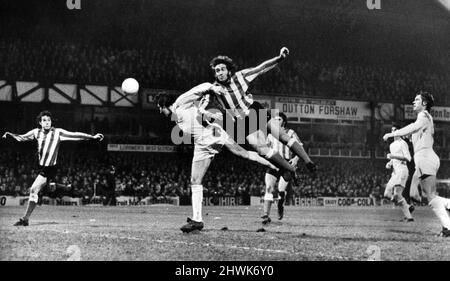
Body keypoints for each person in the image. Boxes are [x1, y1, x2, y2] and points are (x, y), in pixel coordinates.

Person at [156, 85, 284, 233]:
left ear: (165, 104)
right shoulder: (176, 115)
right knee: (198, 179)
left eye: (160, 107)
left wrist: (212, 88)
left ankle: (275, 164)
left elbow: (199, 89)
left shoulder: (180, 103)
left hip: (211, 134)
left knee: (240, 154)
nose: (160, 111)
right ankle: (197, 220)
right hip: (202, 143)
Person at [201, 47, 317, 179]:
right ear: (215, 74)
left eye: (222, 69)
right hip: (242, 120)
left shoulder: (240, 77)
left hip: (254, 109)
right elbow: (202, 105)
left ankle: (309, 162)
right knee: (262, 150)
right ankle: (290, 169)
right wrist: (207, 113)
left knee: (282, 136)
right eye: (217, 71)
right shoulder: (213, 89)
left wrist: (279, 58)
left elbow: (261, 67)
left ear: (228, 71)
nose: (220, 72)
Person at [2, 110, 104, 226]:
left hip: (50, 168)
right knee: (39, 191)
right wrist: (10, 135)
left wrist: (92, 137)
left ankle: (25, 219)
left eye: (49, 120)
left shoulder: (58, 132)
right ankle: (62, 192)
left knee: (34, 189)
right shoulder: (36, 132)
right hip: (40, 167)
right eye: (44, 120)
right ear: (40, 122)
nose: (47, 122)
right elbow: (22, 138)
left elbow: (75, 135)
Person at [383, 91, 450, 237]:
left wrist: (394, 134)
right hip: (424, 158)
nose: (413, 102)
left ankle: (447, 228)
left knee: (430, 197)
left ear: (424, 103)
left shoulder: (423, 115)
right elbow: (416, 131)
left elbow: (413, 127)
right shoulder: (424, 119)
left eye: (416, 100)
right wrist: (408, 136)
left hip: (425, 157)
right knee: (428, 197)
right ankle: (447, 227)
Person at [261, 113, 312, 224]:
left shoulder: (290, 133)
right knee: (269, 188)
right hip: (274, 164)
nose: (276, 121)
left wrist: (295, 159)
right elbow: (264, 148)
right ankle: (266, 215)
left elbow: (300, 147)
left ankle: (280, 205)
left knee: (281, 190)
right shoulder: (269, 133)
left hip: (286, 164)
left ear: (283, 121)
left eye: (279, 119)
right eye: (274, 119)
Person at [383, 123, 414, 222]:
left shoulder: (403, 143)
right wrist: (390, 163)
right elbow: (394, 158)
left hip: (402, 170)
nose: (393, 132)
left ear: (400, 131)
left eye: (395, 129)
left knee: (397, 194)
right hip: (395, 172)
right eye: (392, 130)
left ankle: (409, 217)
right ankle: (407, 206)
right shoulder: (392, 145)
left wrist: (393, 157)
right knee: (387, 194)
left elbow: (408, 158)